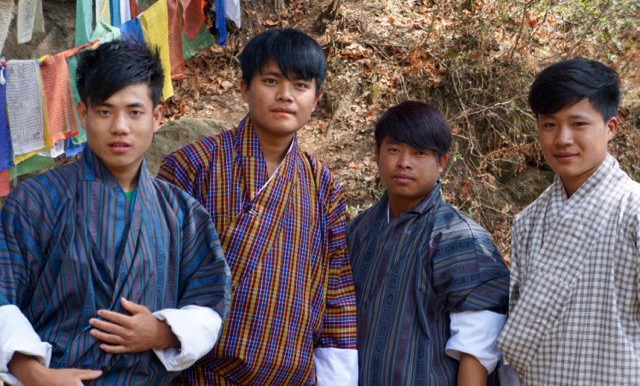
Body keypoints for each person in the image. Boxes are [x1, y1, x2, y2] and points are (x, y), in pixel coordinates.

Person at [0, 40, 231, 386]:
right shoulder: (35, 202)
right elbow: (3, 301)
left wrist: (164, 331)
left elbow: (209, 301)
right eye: (105, 111)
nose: (120, 127)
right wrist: (35, 374)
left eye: (135, 112)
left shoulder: (182, 214)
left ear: (156, 118)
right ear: (83, 114)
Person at [158, 28, 358, 386]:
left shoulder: (323, 186)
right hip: (197, 374)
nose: (285, 95)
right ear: (244, 88)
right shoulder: (192, 166)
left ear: (316, 99)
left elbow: (337, 295)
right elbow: (157, 271)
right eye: (271, 80)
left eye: (300, 85)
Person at [496, 59, 640, 385]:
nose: (562, 139)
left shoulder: (634, 211)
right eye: (549, 125)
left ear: (611, 127)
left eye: (578, 124)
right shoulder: (528, 222)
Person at [347, 100, 510, 385]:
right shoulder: (357, 230)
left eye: (419, 152)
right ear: (377, 155)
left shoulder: (460, 238)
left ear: (442, 163)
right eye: (394, 149)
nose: (404, 162)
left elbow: (477, 348)